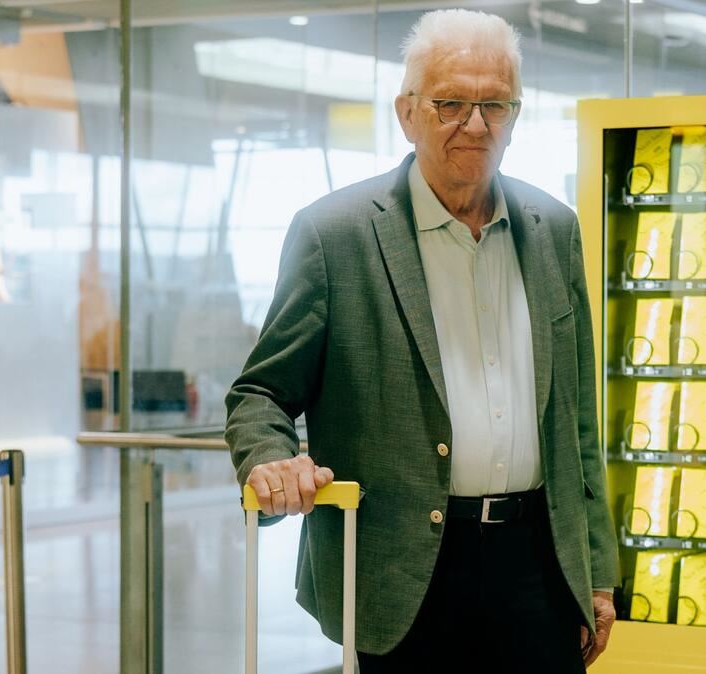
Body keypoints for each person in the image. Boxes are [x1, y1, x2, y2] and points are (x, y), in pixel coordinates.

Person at [225, 9, 619, 673]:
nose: (475, 123)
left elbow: (578, 423)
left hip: (539, 568)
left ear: (516, 115)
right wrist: (271, 458)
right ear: (407, 113)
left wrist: (599, 573)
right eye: (451, 103)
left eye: (495, 104)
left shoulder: (554, 229)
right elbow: (261, 391)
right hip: (400, 575)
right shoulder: (335, 236)